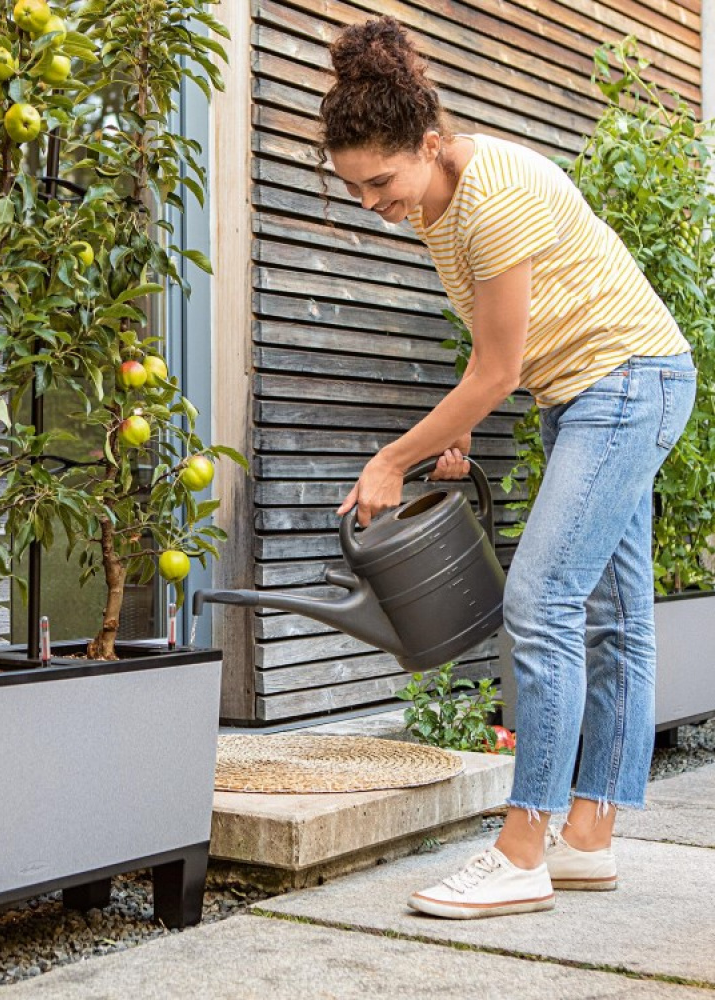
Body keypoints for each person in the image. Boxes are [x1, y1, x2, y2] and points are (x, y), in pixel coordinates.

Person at [321, 17, 697, 919]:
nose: (374, 203)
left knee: (541, 600)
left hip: (627, 384)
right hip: (589, 393)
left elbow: (492, 370)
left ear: (430, 141)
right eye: (356, 189)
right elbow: (502, 353)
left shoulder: (496, 191)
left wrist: (393, 459)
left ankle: (523, 846)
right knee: (615, 617)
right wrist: (462, 432)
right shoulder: (438, 201)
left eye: (381, 181)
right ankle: (589, 843)